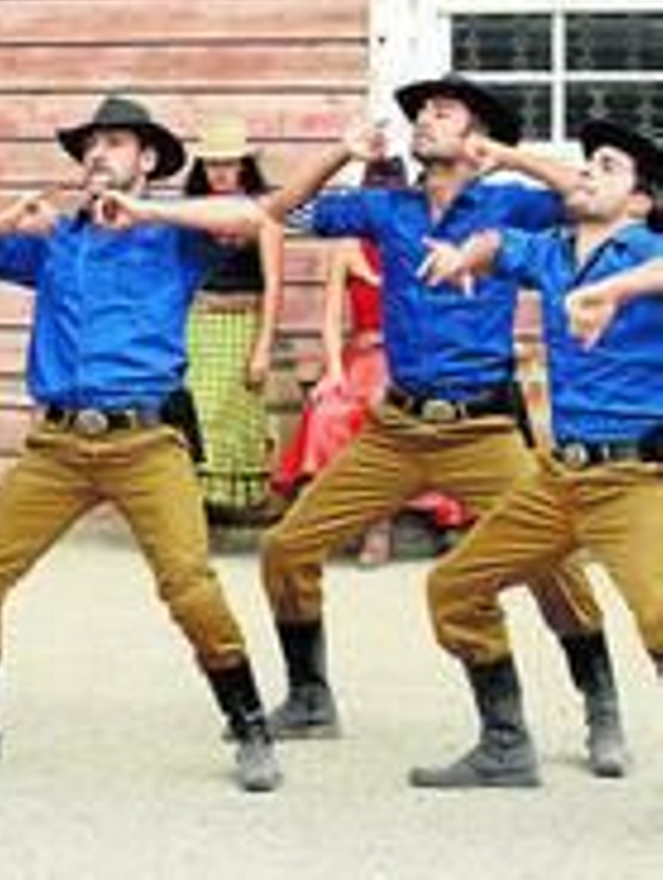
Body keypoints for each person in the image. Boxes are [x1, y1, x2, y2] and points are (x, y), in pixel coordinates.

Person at [104, 74, 621, 774]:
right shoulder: (387, 209)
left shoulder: (509, 205)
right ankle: (311, 698)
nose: (424, 121)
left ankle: (598, 710)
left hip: (483, 428)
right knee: (287, 548)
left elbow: (591, 199)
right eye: (421, 113)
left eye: (443, 112)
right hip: (397, 428)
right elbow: (277, 215)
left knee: (551, 565)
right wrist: (338, 153)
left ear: (473, 134)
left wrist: (506, 154)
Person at [0, 93, 283, 793]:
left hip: (145, 444)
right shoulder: (58, 241)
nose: (98, 154)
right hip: (57, 448)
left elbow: (252, 217)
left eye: (116, 143)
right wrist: (10, 216)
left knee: (190, 588)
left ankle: (251, 725)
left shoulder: (174, 236)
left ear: (147, 161)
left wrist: (150, 211)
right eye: (91, 145)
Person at [409, 119, 663, 787]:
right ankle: (505, 746)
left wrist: (615, 290)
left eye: (607, 166)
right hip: (557, 480)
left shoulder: (647, 251)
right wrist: (469, 255)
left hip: (634, 478)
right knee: (454, 590)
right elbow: (500, 243)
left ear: (640, 200)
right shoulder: (552, 250)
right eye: (586, 162)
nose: (586, 172)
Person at [272, 159, 468, 566]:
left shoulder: (422, 244)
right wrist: (334, 371)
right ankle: (334, 519)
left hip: (409, 354)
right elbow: (330, 319)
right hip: (360, 352)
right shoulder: (347, 248)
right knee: (330, 410)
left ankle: (386, 524)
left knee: (394, 411)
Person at [181, 117, 283, 523]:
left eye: (228, 163)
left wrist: (262, 348)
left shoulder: (264, 211)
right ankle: (194, 505)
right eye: (211, 164)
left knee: (234, 412)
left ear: (243, 165)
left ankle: (232, 504)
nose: (220, 172)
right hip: (197, 323)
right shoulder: (190, 212)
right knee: (195, 413)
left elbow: (274, 283)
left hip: (243, 322)